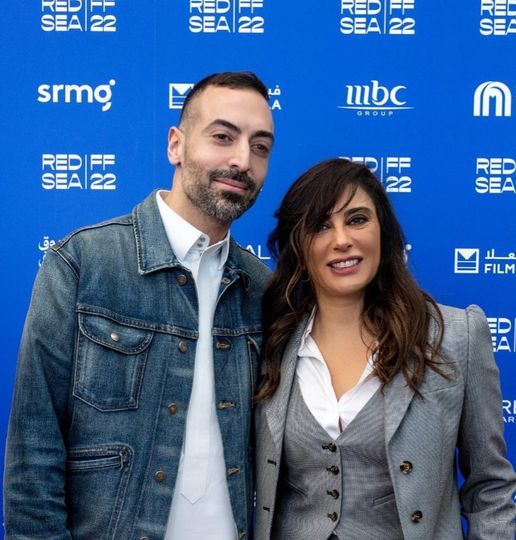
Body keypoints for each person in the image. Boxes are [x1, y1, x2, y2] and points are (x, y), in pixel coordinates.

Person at [4, 71, 274, 539]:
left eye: (260, 146)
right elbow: (34, 449)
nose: (242, 160)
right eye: (222, 137)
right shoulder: (83, 263)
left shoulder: (261, 289)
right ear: (176, 145)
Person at [254, 158, 516, 539]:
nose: (342, 239)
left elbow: (490, 488)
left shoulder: (456, 336)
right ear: (298, 246)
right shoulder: (270, 342)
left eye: (357, 219)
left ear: (384, 232)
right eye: (321, 225)